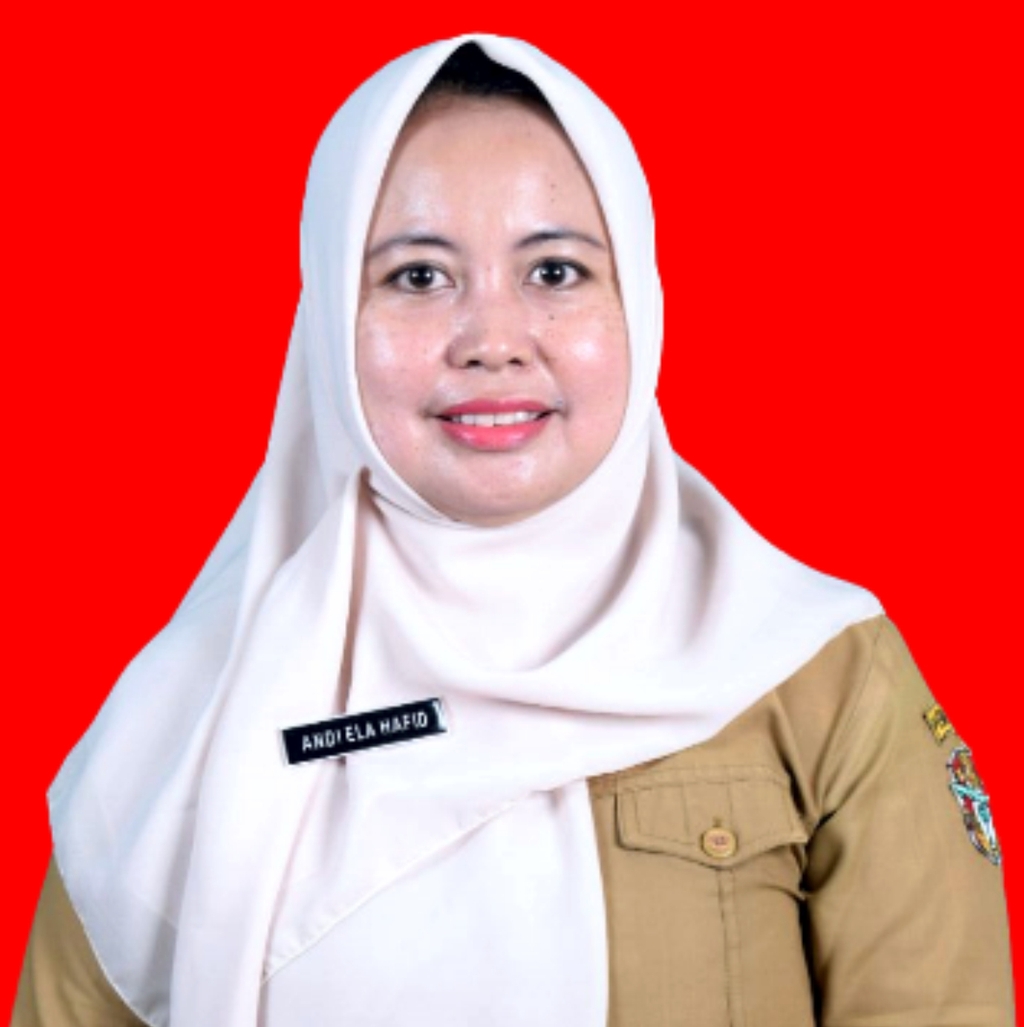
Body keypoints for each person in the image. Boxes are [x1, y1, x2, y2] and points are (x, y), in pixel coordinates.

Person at [12, 34, 1014, 1027]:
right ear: (327, 321)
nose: (492, 341)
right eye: (417, 277)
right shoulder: (189, 715)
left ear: (638, 299)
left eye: (555, 271)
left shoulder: (817, 674)